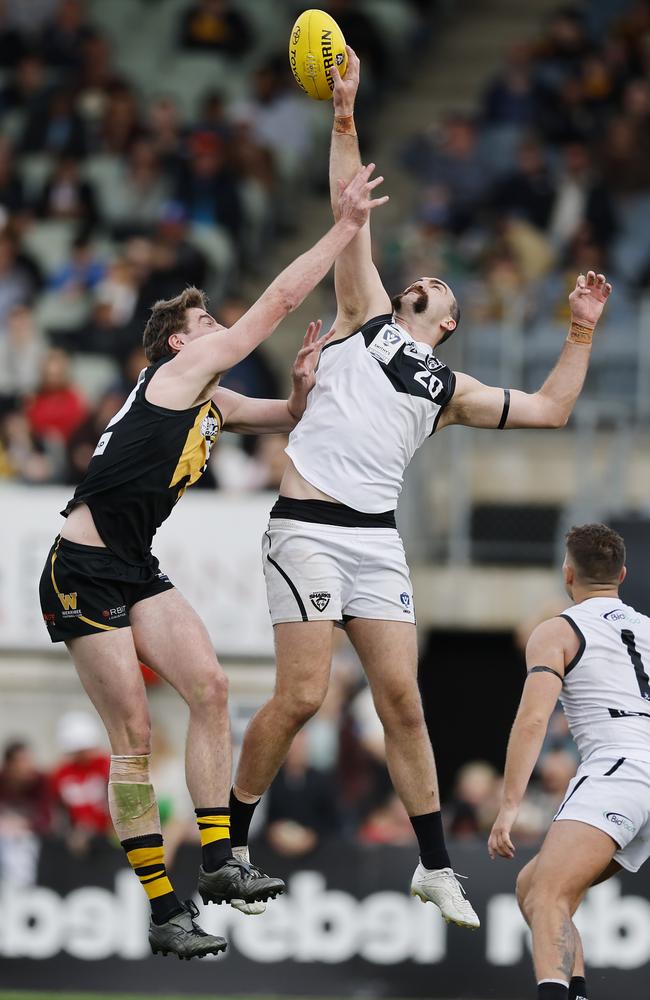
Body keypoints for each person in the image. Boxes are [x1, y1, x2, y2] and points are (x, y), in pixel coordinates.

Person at [228, 48, 613, 931]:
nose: (424, 279)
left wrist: (581, 331)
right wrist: (343, 112)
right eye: (422, 278)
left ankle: (435, 866)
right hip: (310, 524)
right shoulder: (365, 317)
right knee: (303, 696)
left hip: (374, 536)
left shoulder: (452, 391)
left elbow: (553, 409)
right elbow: (346, 214)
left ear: (445, 323)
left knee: (404, 701)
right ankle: (232, 838)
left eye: (437, 289)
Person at [37, 162, 388, 960]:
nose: (217, 328)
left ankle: (223, 860)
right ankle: (165, 909)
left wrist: (300, 393)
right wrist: (342, 228)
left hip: (134, 564)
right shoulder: (176, 370)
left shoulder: (213, 400)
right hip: (81, 568)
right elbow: (276, 304)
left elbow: (284, 421)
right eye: (205, 322)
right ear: (177, 341)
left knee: (213, 688)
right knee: (131, 736)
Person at [489, 525, 650, 1000]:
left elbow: (533, 720)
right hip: (641, 774)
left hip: (618, 768)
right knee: (533, 887)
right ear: (621, 574)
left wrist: (509, 807)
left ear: (568, 573)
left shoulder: (558, 629)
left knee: (546, 896)